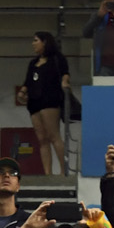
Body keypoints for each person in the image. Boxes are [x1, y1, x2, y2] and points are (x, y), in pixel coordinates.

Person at [20, 32, 71, 180]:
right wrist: (23, 92)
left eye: (36, 40)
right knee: (42, 139)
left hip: (50, 100)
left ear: (45, 42)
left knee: (53, 135)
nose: (33, 44)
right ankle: (47, 173)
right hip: (34, 102)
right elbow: (27, 81)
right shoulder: (33, 63)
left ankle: (63, 171)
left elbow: (65, 75)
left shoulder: (57, 59)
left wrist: (65, 83)